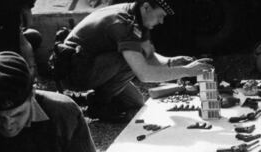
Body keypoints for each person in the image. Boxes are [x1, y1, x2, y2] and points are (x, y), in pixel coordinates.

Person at [57, 0, 213, 122]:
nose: (161, 21)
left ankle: (90, 99)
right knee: (129, 60)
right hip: (74, 72)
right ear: (146, 7)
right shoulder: (123, 24)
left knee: (136, 103)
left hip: (91, 65)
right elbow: (144, 73)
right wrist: (187, 71)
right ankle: (98, 105)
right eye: (161, 15)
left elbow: (149, 55)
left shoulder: (136, 15)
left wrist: (173, 62)